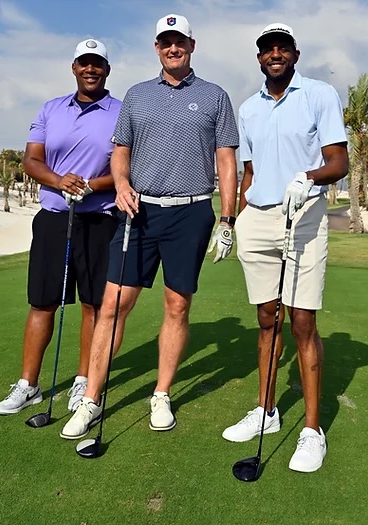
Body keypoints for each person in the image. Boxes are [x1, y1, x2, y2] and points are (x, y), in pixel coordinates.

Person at [60, 13, 239, 439]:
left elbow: (227, 160)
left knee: (177, 305)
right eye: (164, 42)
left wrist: (228, 218)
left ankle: (161, 393)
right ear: (156, 48)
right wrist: (120, 184)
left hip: (191, 212)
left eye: (179, 41)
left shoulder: (214, 96)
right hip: (138, 212)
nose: (172, 48)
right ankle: (91, 398)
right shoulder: (137, 96)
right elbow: (120, 150)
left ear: (192, 45)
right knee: (113, 305)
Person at [222, 23, 348, 473]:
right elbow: (250, 171)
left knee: (302, 322)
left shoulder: (319, 94)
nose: (274, 54)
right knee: (265, 318)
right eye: (266, 49)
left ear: (295, 54)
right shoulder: (248, 108)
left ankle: (312, 431)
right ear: (259, 58)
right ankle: (267, 411)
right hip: (258, 219)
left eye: (281, 48)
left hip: (304, 217)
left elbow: (339, 161)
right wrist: (232, 220)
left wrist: (308, 178)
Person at [0, 39, 122, 416]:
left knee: (93, 305)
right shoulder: (51, 109)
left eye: (97, 64)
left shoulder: (120, 111)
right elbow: (31, 161)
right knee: (43, 302)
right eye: (84, 63)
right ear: (74, 67)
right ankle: (28, 384)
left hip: (100, 218)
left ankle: (84, 379)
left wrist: (88, 185)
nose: (91, 69)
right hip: (53, 217)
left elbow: (123, 169)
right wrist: (59, 180)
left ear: (107, 70)